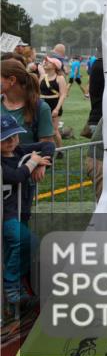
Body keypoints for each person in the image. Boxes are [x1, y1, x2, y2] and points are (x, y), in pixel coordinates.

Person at [2, 114, 53, 310]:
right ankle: (11, 284)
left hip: (15, 213)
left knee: (19, 246)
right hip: (5, 215)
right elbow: (15, 176)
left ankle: (16, 292)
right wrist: (32, 162)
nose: (11, 141)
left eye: (14, 136)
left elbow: (47, 146)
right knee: (26, 242)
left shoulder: (18, 150)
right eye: (5, 138)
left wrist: (40, 162)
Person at [1, 59, 54, 184]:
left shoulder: (40, 108)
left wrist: (40, 164)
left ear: (12, 80)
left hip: (23, 181)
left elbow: (46, 143)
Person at [39, 57, 68, 148]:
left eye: (49, 62)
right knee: (43, 130)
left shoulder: (60, 78)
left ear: (55, 66)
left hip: (54, 104)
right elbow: (38, 92)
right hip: (42, 104)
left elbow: (63, 95)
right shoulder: (43, 77)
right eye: (45, 62)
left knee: (54, 130)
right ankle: (48, 148)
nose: (45, 63)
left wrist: (57, 109)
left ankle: (60, 150)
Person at [81, 56, 103, 139]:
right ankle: (86, 94)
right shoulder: (97, 62)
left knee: (89, 84)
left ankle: (86, 94)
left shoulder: (93, 61)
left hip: (91, 73)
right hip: (93, 73)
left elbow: (88, 68)